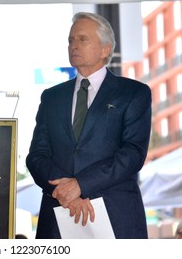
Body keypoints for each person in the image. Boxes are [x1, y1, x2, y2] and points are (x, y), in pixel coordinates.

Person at [26, 12, 152, 239]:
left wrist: (81, 185)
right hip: (58, 215)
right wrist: (67, 193)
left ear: (105, 49)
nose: (74, 45)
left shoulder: (134, 93)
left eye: (82, 39)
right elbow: (36, 156)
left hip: (116, 216)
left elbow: (133, 154)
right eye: (71, 40)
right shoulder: (51, 97)